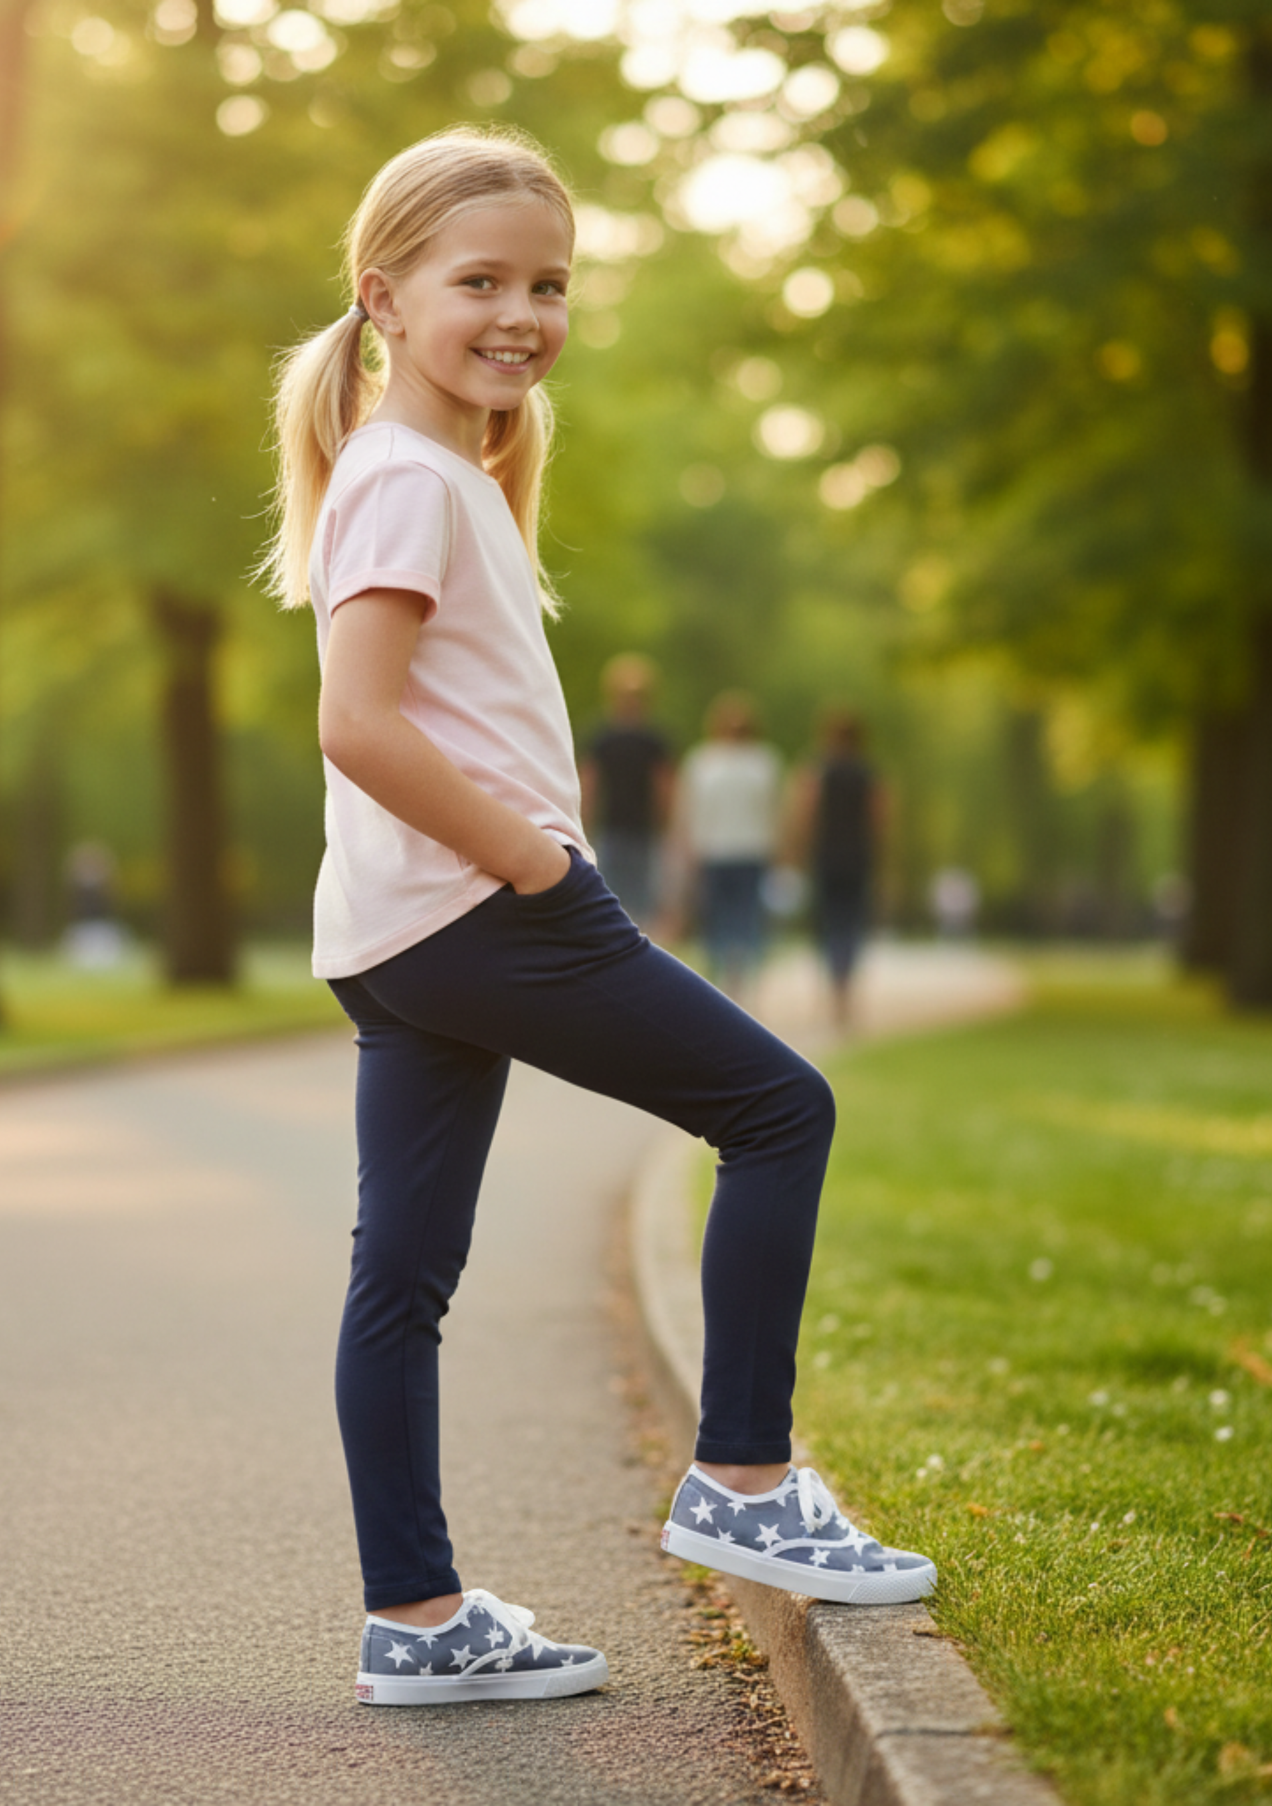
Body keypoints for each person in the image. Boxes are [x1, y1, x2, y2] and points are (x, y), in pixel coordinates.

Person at [261, 127, 934, 1709]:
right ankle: (747, 1484)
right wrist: (543, 865)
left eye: (548, 283)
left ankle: (415, 1620)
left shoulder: (429, 474)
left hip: (403, 931)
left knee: (402, 1275)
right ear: (383, 296)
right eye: (478, 279)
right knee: (780, 1107)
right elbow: (355, 724)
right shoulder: (410, 478)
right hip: (488, 908)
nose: (521, 312)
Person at [677, 691, 783, 1007]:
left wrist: (687, 847)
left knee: (722, 918)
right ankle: (738, 982)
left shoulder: (704, 761)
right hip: (746, 850)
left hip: (721, 851)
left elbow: (692, 810)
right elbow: (771, 810)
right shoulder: (763, 762)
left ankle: (726, 983)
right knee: (744, 918)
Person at [791, 710, 886, 1029]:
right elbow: (878, 817)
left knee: (828, 923)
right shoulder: (867, 773)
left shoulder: (819, 771)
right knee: (853, 923)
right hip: (858, 857)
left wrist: (802, 850)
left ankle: (833, 991)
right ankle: (845, 992)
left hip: (827, 857)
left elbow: (807, 812)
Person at [579, 653, 674, 927]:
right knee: (622, 898)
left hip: (639, 830)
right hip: (615, 828)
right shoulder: (610, 738)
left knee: (634, 900)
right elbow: (590, 784)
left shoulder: (609, 737)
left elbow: (664, 787)